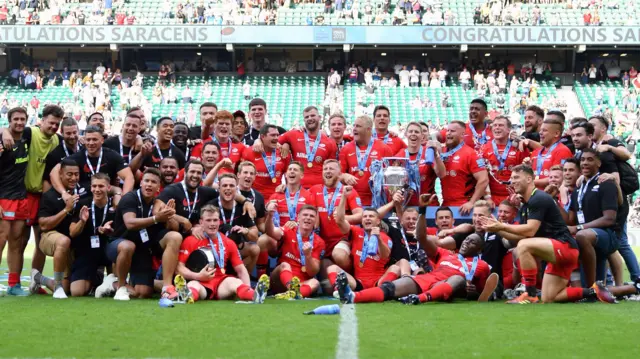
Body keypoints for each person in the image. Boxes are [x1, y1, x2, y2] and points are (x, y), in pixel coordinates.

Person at [479, 165, 616, 304]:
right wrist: (496, 229)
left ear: (528, 179)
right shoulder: (527, 204)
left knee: (523, 246)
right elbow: (524, 236)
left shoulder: (538, 198)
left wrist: (502, 225)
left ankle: (529, 294)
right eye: (511, 178)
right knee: (549, 297)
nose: (512, 181)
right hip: (559, 251)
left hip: (565, 247)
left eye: (516, 177)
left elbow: (530, 231)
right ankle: (594, 291)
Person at [336, 194, 496, 304]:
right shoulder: (445, 254)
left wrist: (474, 292)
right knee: (390, 288)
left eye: (472, 242)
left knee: (458, 279)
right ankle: (353, 296)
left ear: (479, 250)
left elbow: (484, 289)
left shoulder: (481, 266)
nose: (466, 243)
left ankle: (419, 299)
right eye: (466, 240)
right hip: (427, 281)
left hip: (451, 288)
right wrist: (422, 211)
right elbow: (422, 238)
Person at [102, 168, 183, 301]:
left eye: (153, 182)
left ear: (158, 187)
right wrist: (156, 218)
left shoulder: (158, 203)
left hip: (142, 250)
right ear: (141, 183)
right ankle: (120, 286)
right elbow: (130, 223)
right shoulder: (130, 198)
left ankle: (167, 287)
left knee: (143, 292)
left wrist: (169, 216)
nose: (149, 184)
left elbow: (174, 228)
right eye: (146, 181)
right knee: (128, 246)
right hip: (119, 243)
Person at [176, 205, 269, 303]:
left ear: (219, 221)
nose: (212, 224)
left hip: (221, 282)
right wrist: (197, 276)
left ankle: (254, 295)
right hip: (201, 282)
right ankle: (187, 295)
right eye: (208, 220)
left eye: (215, 220)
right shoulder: (190, 241)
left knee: (234, 282)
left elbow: (241, 269)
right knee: (193, 285)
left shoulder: (227, 242)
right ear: (201, 223)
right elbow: (178, 268)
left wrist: (248, 287)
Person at [326, 186, 400, 293]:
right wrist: (344, 197)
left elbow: (385, 255)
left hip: (378, 282)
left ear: (378, 221)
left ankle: (382, 292)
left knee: (395, 268)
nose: (367, 218)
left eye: (371, 216)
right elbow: (340, 220)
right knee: (331, 268)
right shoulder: (356, 232)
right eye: (365, 217)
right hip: (358, 282)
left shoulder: (385, 237)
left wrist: (378, 238)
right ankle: (339, 291)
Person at [33, 159, 89, 299]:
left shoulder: (84, 192)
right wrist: (66, 209)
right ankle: (57, 286)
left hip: (72, 244)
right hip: (50, 237)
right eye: (69, 174)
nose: (73, 178)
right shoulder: (50, 195)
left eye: (76, 174)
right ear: (60, 174)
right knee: (63, 241)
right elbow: (44, 225)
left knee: (69, 289)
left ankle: (38, 277)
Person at [566, 148, 620, 287]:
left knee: (582, 235)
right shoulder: (578, 188)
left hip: (608, 235)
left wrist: (578, 228)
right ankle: (631, 288)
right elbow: (570, 220)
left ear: (599, 163)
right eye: (583, 160)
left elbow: (609, 218)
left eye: (590, 160)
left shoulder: (605, 183)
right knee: (598, 286)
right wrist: (552, 200)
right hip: (589, 238)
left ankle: (591, 289)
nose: (585, 163)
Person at [67, 173, 115, 297]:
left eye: (101, 186)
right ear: (90, 187)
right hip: (87, 252)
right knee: (77, 292)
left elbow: (123, 233)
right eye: (94, 186)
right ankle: (97, 277)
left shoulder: (115, 206)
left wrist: (110, 231)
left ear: (108, 188)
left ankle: (111, 278)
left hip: (108, 250)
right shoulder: (82, 204)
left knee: (118, 251)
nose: (97, 190)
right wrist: (82, 221)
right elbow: (72, 232)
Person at [50, 125, 134, 196]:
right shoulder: (78, 156)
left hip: (106, 200)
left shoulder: (112, 155)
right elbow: (54, 172)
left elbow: (129, 176)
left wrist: (123, 199)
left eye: (94, 139)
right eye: (88, 139)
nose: (91, 143)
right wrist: (64, 193)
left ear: (102, 140)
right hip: (83, 200)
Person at [0, 108, 31, 296]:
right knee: (1, 240)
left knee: (16, 242)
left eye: (22, 119)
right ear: (9, 120)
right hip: (4, 198)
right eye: (15, 119)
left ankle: (14, 285)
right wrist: (3, 131)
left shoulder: (27, 136)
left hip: (21, 198)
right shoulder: (3, 142)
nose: (19, 122)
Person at [265, 203, 326, 299]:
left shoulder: (319, 242)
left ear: (315, 221)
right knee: (285, 265)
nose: (308, 218)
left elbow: (312, 272)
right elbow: (270, 231)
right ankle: (293, 290)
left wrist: (308, 255)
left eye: (312, 216)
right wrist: (270, 215)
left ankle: (294, 294)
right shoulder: (288, 230)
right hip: (280, 280)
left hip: (301, 283)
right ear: (298, 218)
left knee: (315, 282)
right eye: (305, 215)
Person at [339, 115, 393, 206]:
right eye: (354, 126)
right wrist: (344, 176)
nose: (354, 129)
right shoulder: (346, 149)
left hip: (377, 201)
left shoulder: (384, 149)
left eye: (358, 126)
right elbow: (338, 175)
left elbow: (390, 177)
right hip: (352, 201)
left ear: (368, 130)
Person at [278, 106, 337, 189]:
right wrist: (285, 144)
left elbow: (332, 169)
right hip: (297, 189)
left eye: (312, 115)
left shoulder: (330, 142)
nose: (309, 118)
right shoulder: (293, 134)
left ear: (319, 117)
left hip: (320, 189)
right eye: (306, 117)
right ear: (304, 120)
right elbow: (271, 141)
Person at [439, 121, 488, 214]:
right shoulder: (442, 152)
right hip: (445, 204)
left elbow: (484, 180)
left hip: (463, 206)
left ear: (462, 134)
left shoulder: (471, 154)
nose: (448, 133)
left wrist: (471, 202)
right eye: (447, 130)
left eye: (452, 131)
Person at [216, 174, 260, 272]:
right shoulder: (211, 205)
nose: (228, 188)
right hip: (214, 246)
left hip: (236, 247)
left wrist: (246, 231)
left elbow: (255, 236)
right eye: (224, 185)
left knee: (255, 249)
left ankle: (244, 280)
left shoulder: (243, 207)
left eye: (231, 186)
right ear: (218, 188)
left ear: (236, 190)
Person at [481, 116, 529, 206]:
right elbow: (481, 176)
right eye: (495, 125)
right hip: (492, 198)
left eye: (501, 125)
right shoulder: (484, 148)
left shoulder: (518, 147)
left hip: (514, 197)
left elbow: (526, 174)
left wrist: (520, 196)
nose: (497, 128)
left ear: (508, 130)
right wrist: (487, 197)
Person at [396, 122, 444, 207]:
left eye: (416, 132)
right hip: (407, 206)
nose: (413, 134)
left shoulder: (429, 152)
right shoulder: (400, 155)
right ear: (406, 134)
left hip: (428, 205)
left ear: (422, 136)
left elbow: (442, 174)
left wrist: (436, 155)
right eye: (410, 131)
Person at [241, 124, 290, 201]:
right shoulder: (249, 152)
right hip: (254, 197)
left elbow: (289, 176)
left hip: (275, 198)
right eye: (273, 135)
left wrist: (286, 187)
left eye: (277, 135)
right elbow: (241, 175)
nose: (276, 138)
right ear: (263, 137)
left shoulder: (283, 153)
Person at [530, 119, 573, 190]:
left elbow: (557, 177)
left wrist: (529, 183)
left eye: (544, 130)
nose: (540, 133)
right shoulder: (537, 151)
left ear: (556, 133)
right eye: (540, 130)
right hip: (533, 194)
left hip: (550, 196)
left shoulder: (562, 151)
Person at [43, 118, 81, 192]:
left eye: (74, 132)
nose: (72, 136)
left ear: (78, 132)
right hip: (62, 196)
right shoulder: (54, 155)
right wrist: (46, 201)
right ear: (62, 133)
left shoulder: (84, 149)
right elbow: (47, 181)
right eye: (68, 133)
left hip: (83, 196)